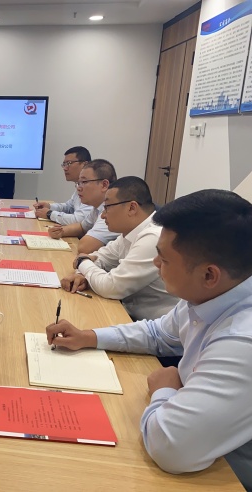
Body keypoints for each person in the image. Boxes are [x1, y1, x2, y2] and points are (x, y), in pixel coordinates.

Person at [45, 189, 252, 489]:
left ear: (209, 275)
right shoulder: (209, 294)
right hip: (200, 442)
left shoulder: (242, 341)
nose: (155, 263)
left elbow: (172, 447)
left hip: (225, 473)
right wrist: (88, 337)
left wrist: (164, 389)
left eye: (164, 259)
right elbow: (157, 333)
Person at [61, 176, 178, 321]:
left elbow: (110, 286)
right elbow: (101, 257)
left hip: (152, 327)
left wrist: (82, 263)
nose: (103, 215)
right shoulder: (129, 233)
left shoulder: (153, 237)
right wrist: (81, 274)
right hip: (129, 314)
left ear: (132, 208)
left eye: (107, 207)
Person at [48, 159, 119, 254]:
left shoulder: (113, 211)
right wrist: (61, 231)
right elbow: (82, 227)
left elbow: (85, 247)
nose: (79, 188)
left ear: (104, 185)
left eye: (84, 182)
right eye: (78, 183)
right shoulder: (97, 208)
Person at [35, 146, 93, 225]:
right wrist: (49, 206)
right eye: (64, 164)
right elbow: (69, 207)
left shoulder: (92, 188)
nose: (65, 168)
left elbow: (78, 220)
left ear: (84, 164)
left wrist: (49, 214)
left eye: (69, 163)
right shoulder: (79, 185)